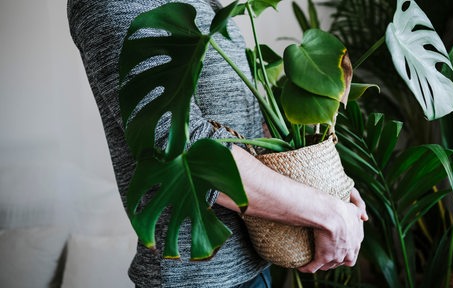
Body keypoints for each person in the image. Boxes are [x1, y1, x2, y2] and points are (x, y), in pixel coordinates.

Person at [67, 0, 368, 287]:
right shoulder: (110, 5)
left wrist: (324, 184)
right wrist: (328, 213)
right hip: (196, 277)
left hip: (253, 264)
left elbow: (242, 122)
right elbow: (181, 148)